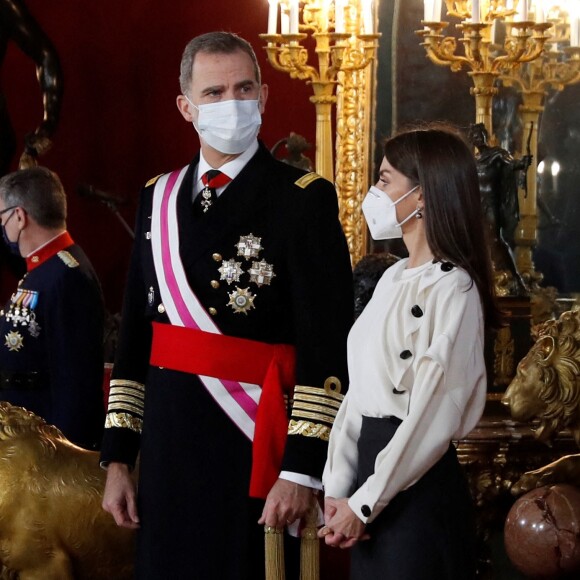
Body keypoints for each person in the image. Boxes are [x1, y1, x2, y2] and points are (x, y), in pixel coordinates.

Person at [100, 31, 353, 579]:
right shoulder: (157, 196)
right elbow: (135, 340)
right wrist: (119, 457)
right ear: (185, 107)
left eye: (244, 88)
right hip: (168, 450)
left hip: (252, 450)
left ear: (263, 97)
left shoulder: (303, 198)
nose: (231, 103)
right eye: (214, 93)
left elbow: (326, 346)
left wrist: (301, 471)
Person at [320, 125, 499, 579]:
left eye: (384, 180)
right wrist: (338, 487)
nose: (373, 192)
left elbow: (432, 415)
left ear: (421, 195)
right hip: (371, 488)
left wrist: (364, 503)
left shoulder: (454, 287)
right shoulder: (392, 276)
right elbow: (358, 394)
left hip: (415, 489)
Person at [0, 166, 105, 449]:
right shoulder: (45, 269)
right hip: (23, 433)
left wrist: (66, 453)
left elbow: (76, 381)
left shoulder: (66, 275)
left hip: (45, 444)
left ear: (19, 216)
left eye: (2, 216)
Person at [468, 122, 530, 295]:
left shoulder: (496, 155)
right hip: (476, 207)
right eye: (474, 136)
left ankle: (515, 276)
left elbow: (511, 164)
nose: (477, 138)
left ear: (486, 136)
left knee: (495, 240)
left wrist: (521, 163)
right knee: (475, 242)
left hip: (491, 205)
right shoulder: (473, 162)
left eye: (480, 135)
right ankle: (482, 277)